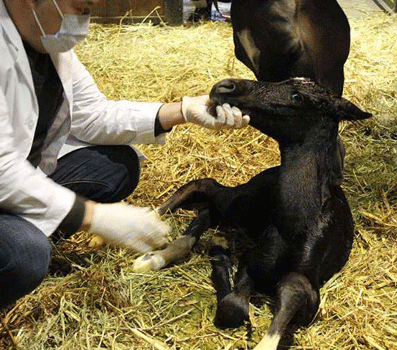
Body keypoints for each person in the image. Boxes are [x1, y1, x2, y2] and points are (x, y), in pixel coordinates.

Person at [0, 0, 249, 310]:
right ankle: (29, 228)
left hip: (25, 173)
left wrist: (182, 110)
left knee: (118, 165)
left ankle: (37, 214)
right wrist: (94, 216)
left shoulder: (48, 42)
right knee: (26, 254)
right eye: (81, 8)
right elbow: (2, 169)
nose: (84, 22)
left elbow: (93, 114)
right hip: (4, 180)